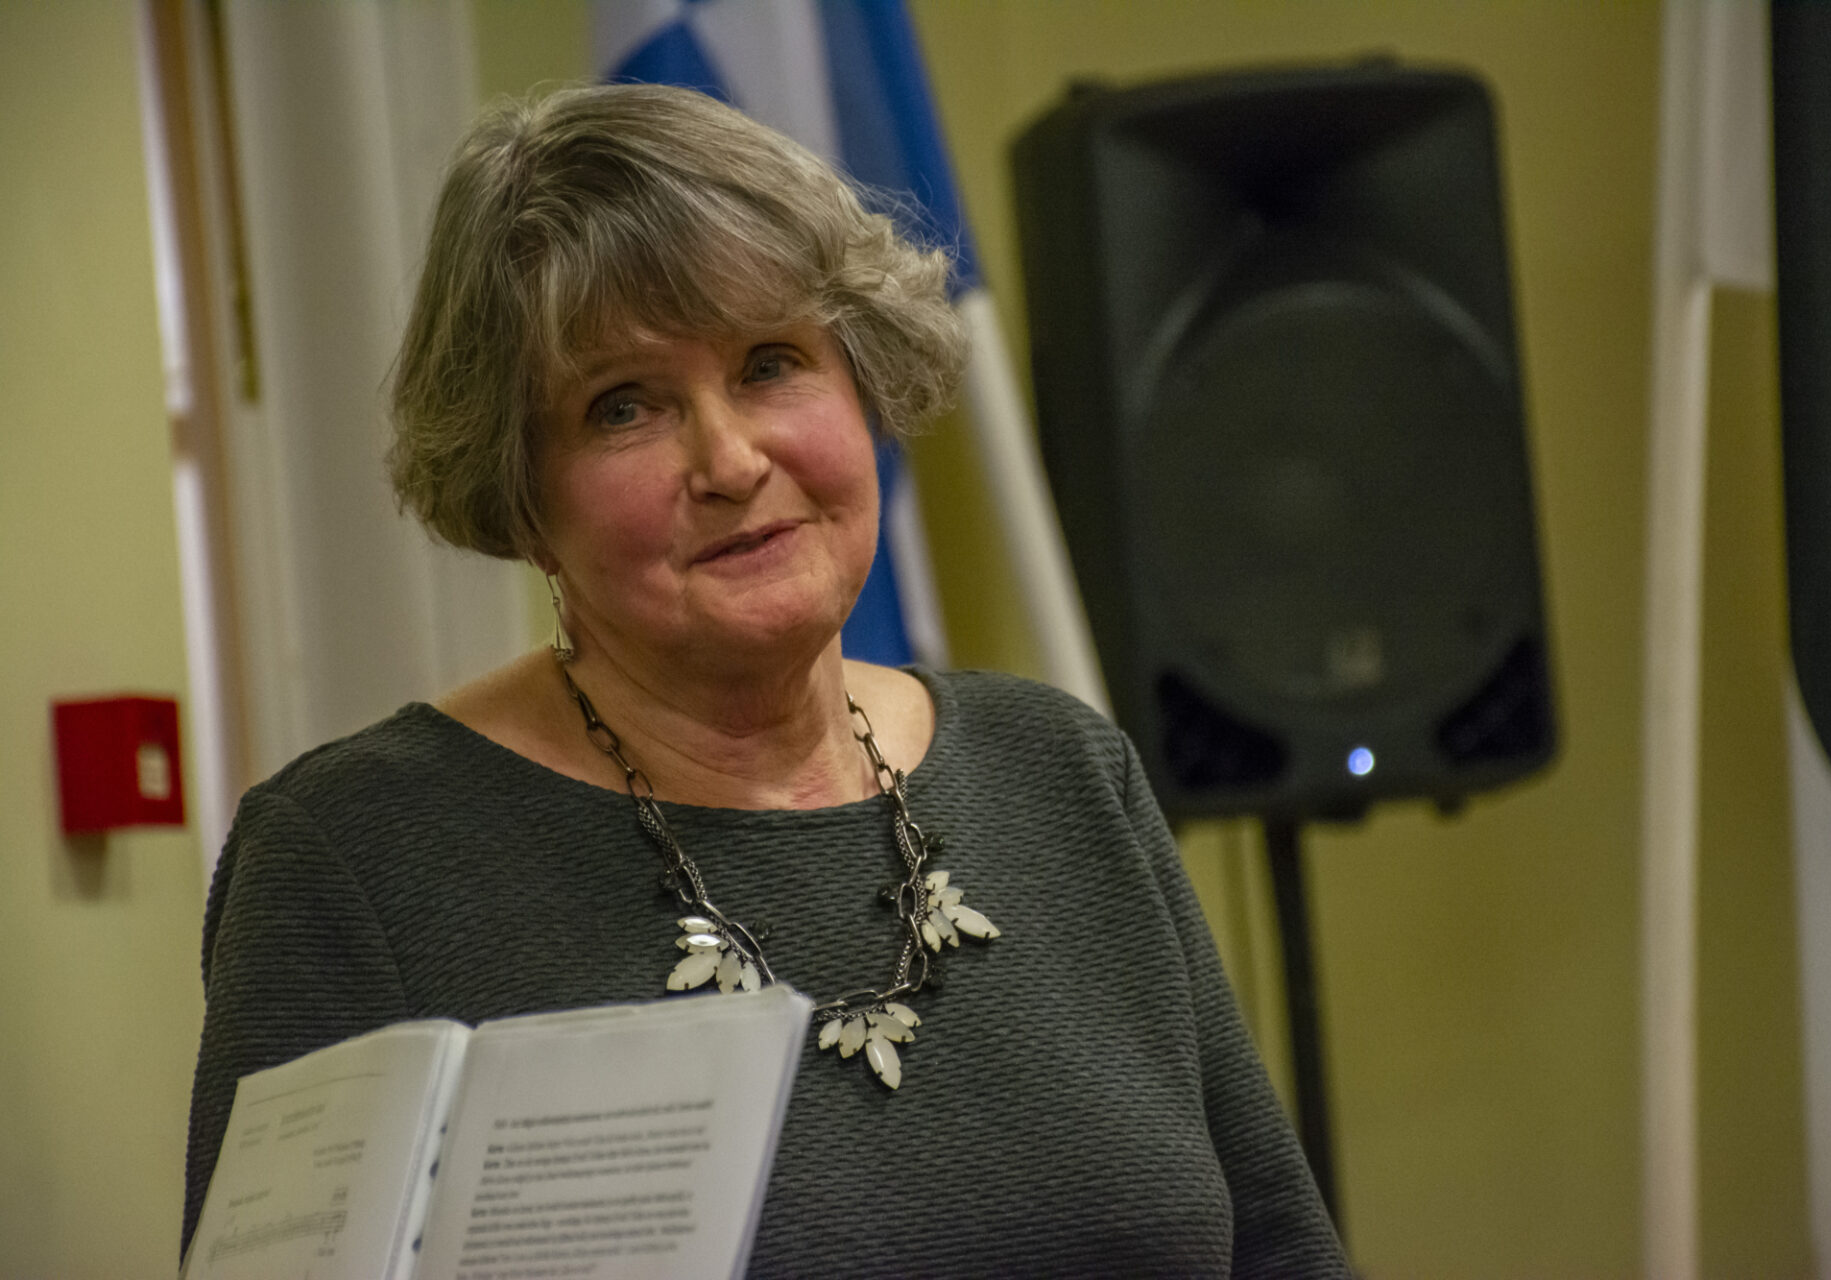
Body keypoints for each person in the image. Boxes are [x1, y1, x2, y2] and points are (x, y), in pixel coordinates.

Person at [184, 82, 1349, 1277]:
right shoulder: (354, 858)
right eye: (623, 406)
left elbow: (1281, 1253)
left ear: (866, 382)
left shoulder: (1063, 769)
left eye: (770, 362)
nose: (730, 460)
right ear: (520, 491)